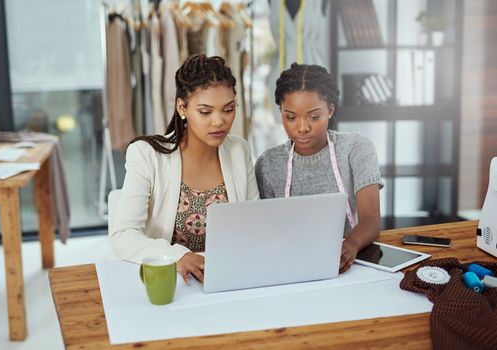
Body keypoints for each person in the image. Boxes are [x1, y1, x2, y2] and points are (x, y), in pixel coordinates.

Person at [110, 54, 259, 283]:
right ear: (182, 107)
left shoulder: (239, 150)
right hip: (172, 283)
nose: (219, 121)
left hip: (228, 278)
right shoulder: (147, 154)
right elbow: (123, 236)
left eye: (228, 109)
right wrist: (177, 255)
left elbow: (254, 224)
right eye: (205, 112)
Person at [255, 63, 383, 273]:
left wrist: (350, 245)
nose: (302, 127)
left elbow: (371, 220)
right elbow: (265, 229)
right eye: (291, 117)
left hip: (348, 261)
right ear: (281, 113)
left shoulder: (356, 148)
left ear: (330, 109)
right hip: (289, 264)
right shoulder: (268, 164)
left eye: (314, 117)